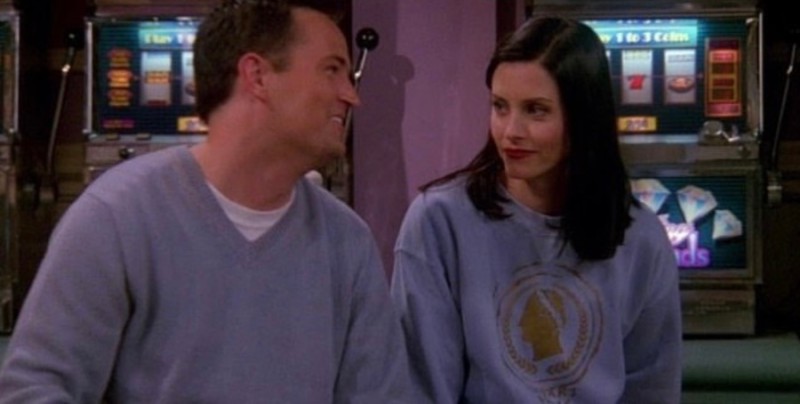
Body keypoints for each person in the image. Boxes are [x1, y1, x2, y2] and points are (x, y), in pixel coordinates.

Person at [0, 0, 411, 402]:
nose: (351, 96)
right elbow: (34, 389)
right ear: (257, 76)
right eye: (332, 70)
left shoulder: (346, 241)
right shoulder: (117, 217)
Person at [391, 15, 682, 403]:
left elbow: (652, 388)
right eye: (500, 107)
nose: (511, 131)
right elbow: (421, 386)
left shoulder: (640, 237)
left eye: (536, 110)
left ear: (583, 119)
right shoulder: (439, 221)